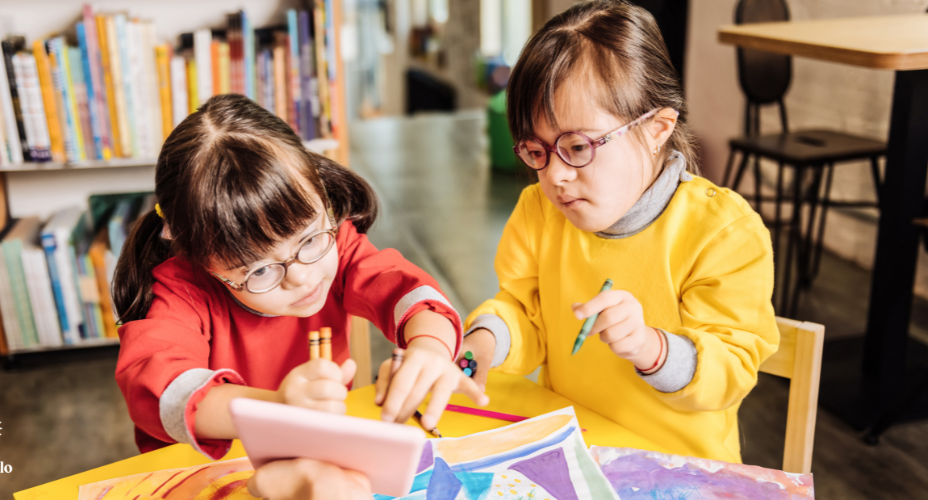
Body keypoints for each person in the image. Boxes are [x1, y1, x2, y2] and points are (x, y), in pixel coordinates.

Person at [460, 0, 779, 463]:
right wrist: (480, 344)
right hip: (574, 455)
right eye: (536, 150)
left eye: (576, 146)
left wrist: (652, 347)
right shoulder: (539, 211)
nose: (555, 177)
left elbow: (732, 366)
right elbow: (524, 314)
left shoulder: (723, 231)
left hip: (680, 469)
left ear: (656, 128)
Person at [113, 94, 486, 467]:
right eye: (259, 270)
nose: (302, 277)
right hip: (212, 472)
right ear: (200, 259)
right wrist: (277, 408)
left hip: (313, 457)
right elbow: (159, 390)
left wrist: (431, 348)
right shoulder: (182, 290)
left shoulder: (336, 240)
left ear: (320, 190)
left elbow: (406, 289)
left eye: (308, 239)